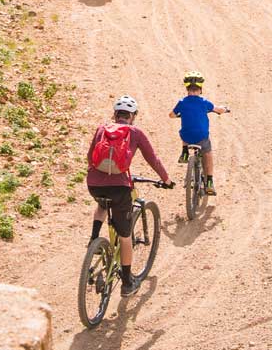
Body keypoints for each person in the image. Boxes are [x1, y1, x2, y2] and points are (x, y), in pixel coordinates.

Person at [86, 95, 173, 296]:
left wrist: (100, 174)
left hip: (94, 185)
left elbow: (90, 157)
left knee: (101, 204)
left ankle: (93, 240)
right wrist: (166, 179)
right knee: (125, 237)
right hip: (120, 188)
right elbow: (153, 159)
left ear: (115, 114)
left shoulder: (102, 129)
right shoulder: (135, 132)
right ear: (133, 116)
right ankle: (127, 283)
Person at [170, 71, 230, 196]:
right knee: (207, 153)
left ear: (187, 88)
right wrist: (224, 109)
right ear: (200, 89)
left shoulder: (181, 102)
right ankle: (209, 182)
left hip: (186, 136)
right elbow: (217, 109)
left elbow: (171, 115)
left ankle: (185, 152)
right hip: (201, 137)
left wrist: (179, 114)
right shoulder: (204, 102)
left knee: (185, 130)